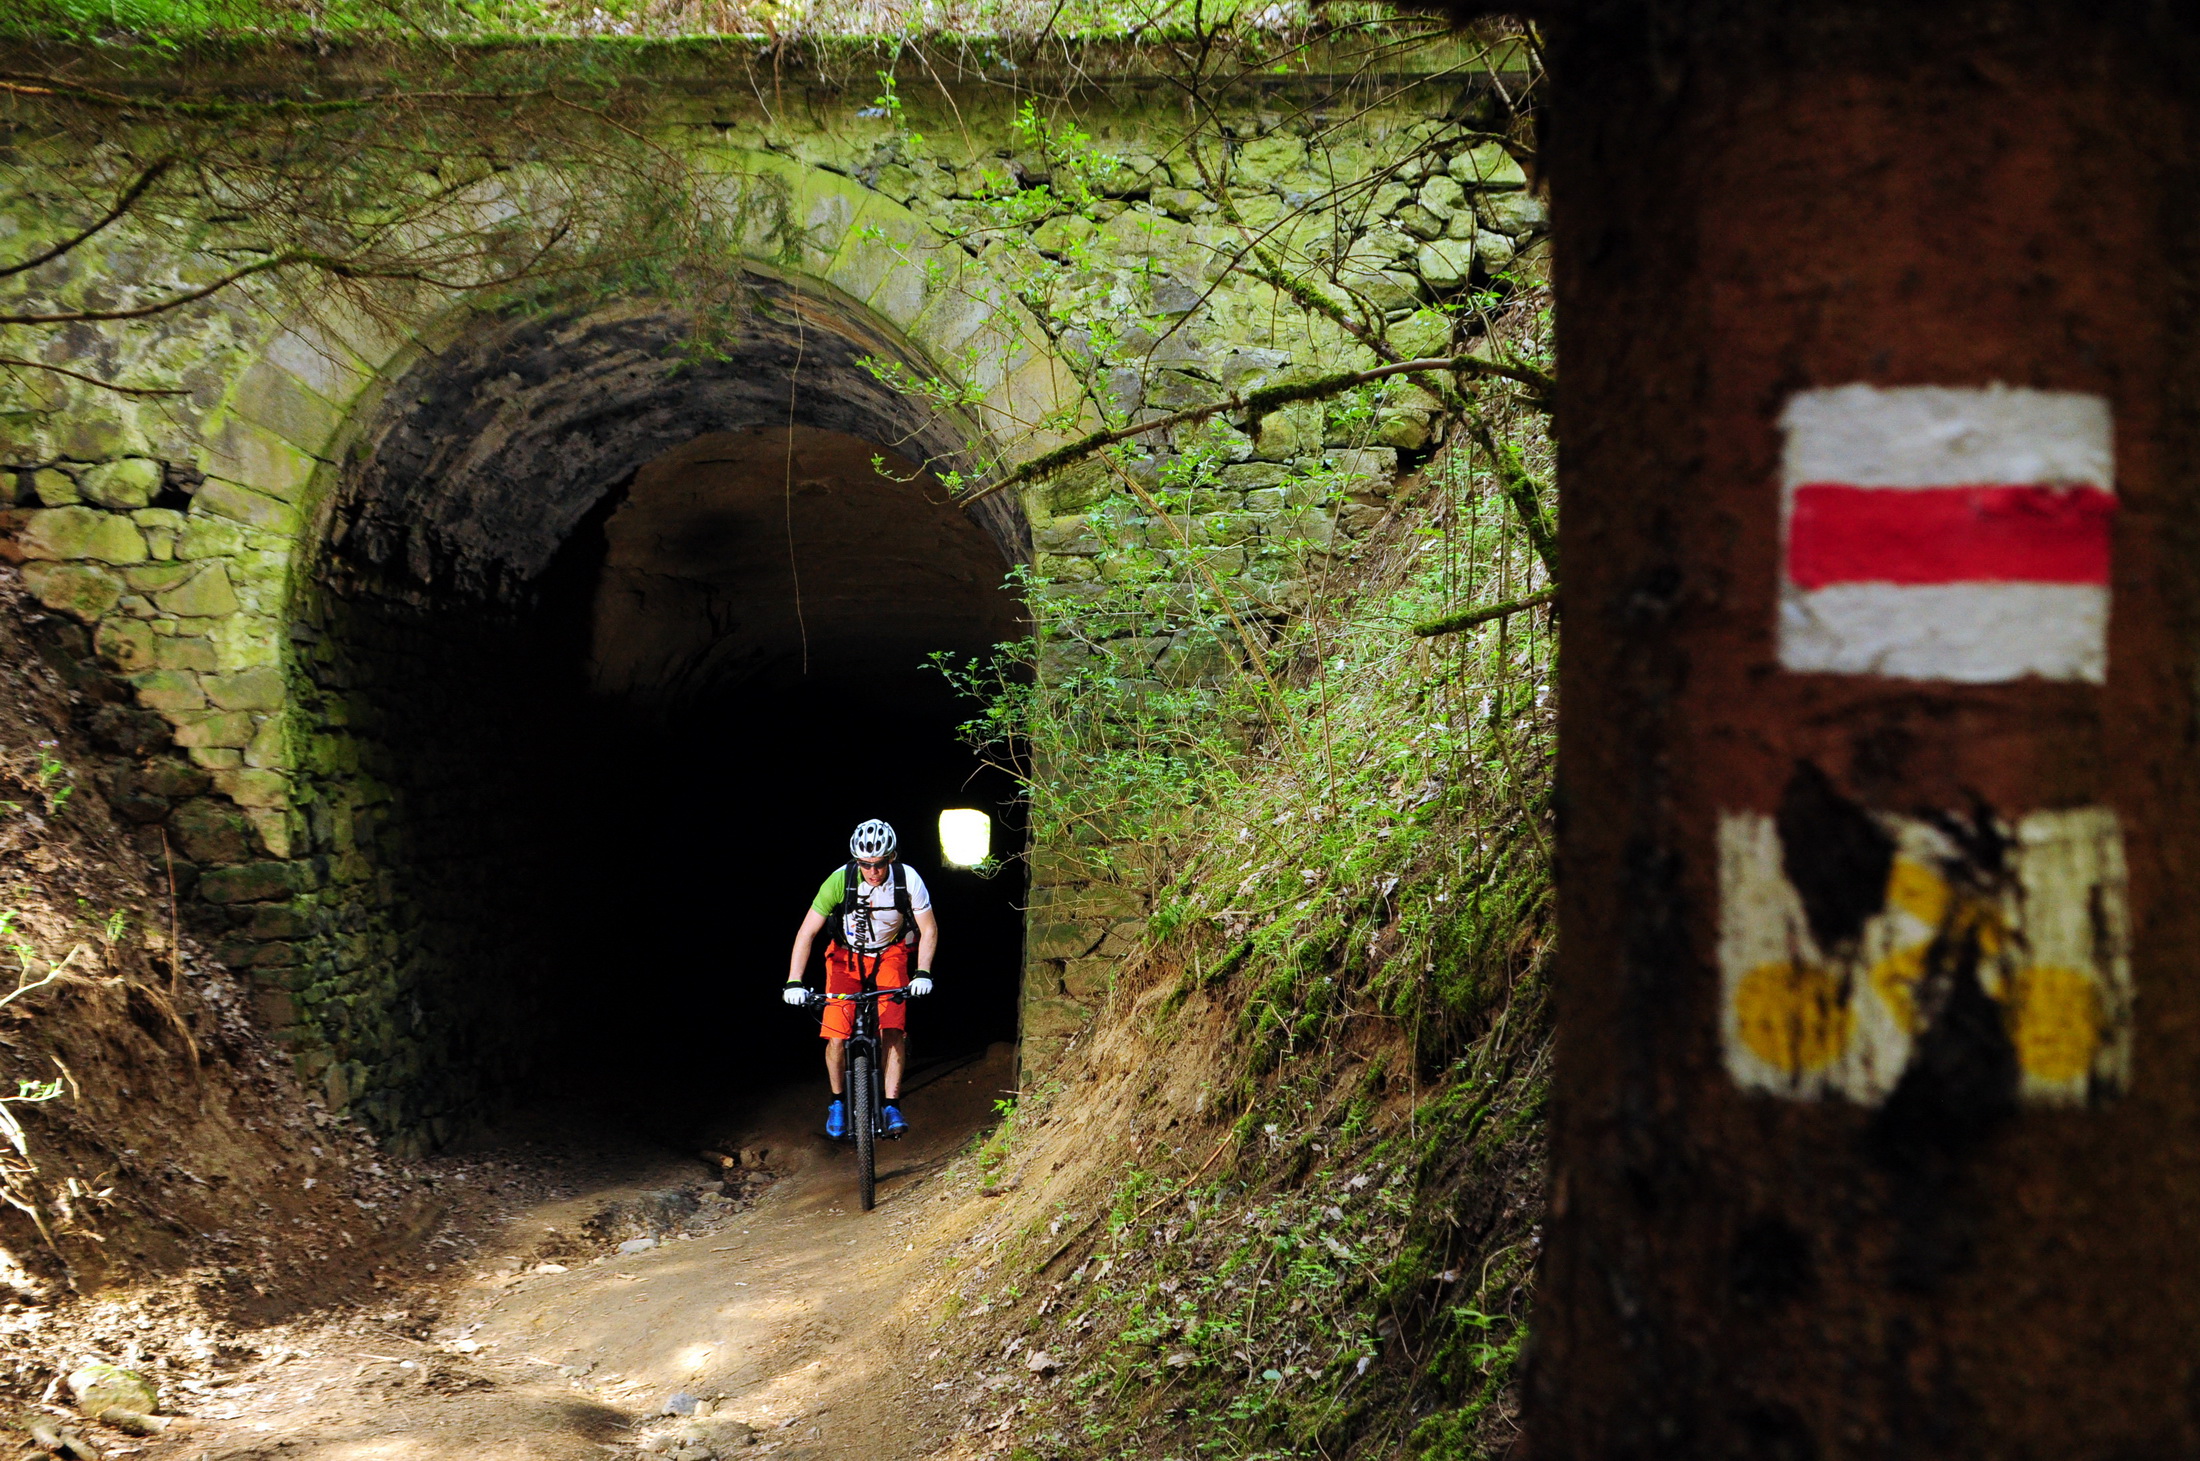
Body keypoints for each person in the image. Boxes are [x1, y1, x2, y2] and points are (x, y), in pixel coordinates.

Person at [783, 819, 938, 1139]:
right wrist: (794, 980)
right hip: (844, 957)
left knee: (892, 1026)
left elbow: (929, 929)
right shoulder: (839, 880)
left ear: (891, 858)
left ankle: (892, 1104)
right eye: (865, 864)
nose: (873, 872)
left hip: (890, 953)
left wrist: (922, 972)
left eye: (879, 864)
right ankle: (838, 1101)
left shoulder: (908, 879)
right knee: (836, 1032)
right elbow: (806, 932)